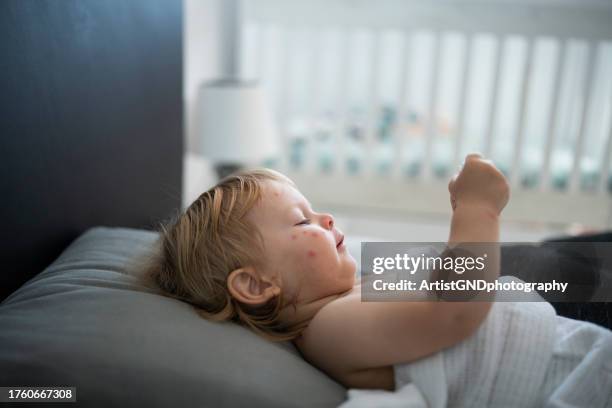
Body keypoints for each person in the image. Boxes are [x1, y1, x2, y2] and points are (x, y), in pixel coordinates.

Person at [140, 153, 612, 406]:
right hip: (573, 373)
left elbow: (447, 269)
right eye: (302, 222)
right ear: (258, 285)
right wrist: (478, 209)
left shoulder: (351, 284)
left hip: (569, 327)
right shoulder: (328, 328)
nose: (324, 218)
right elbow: (455, 310)